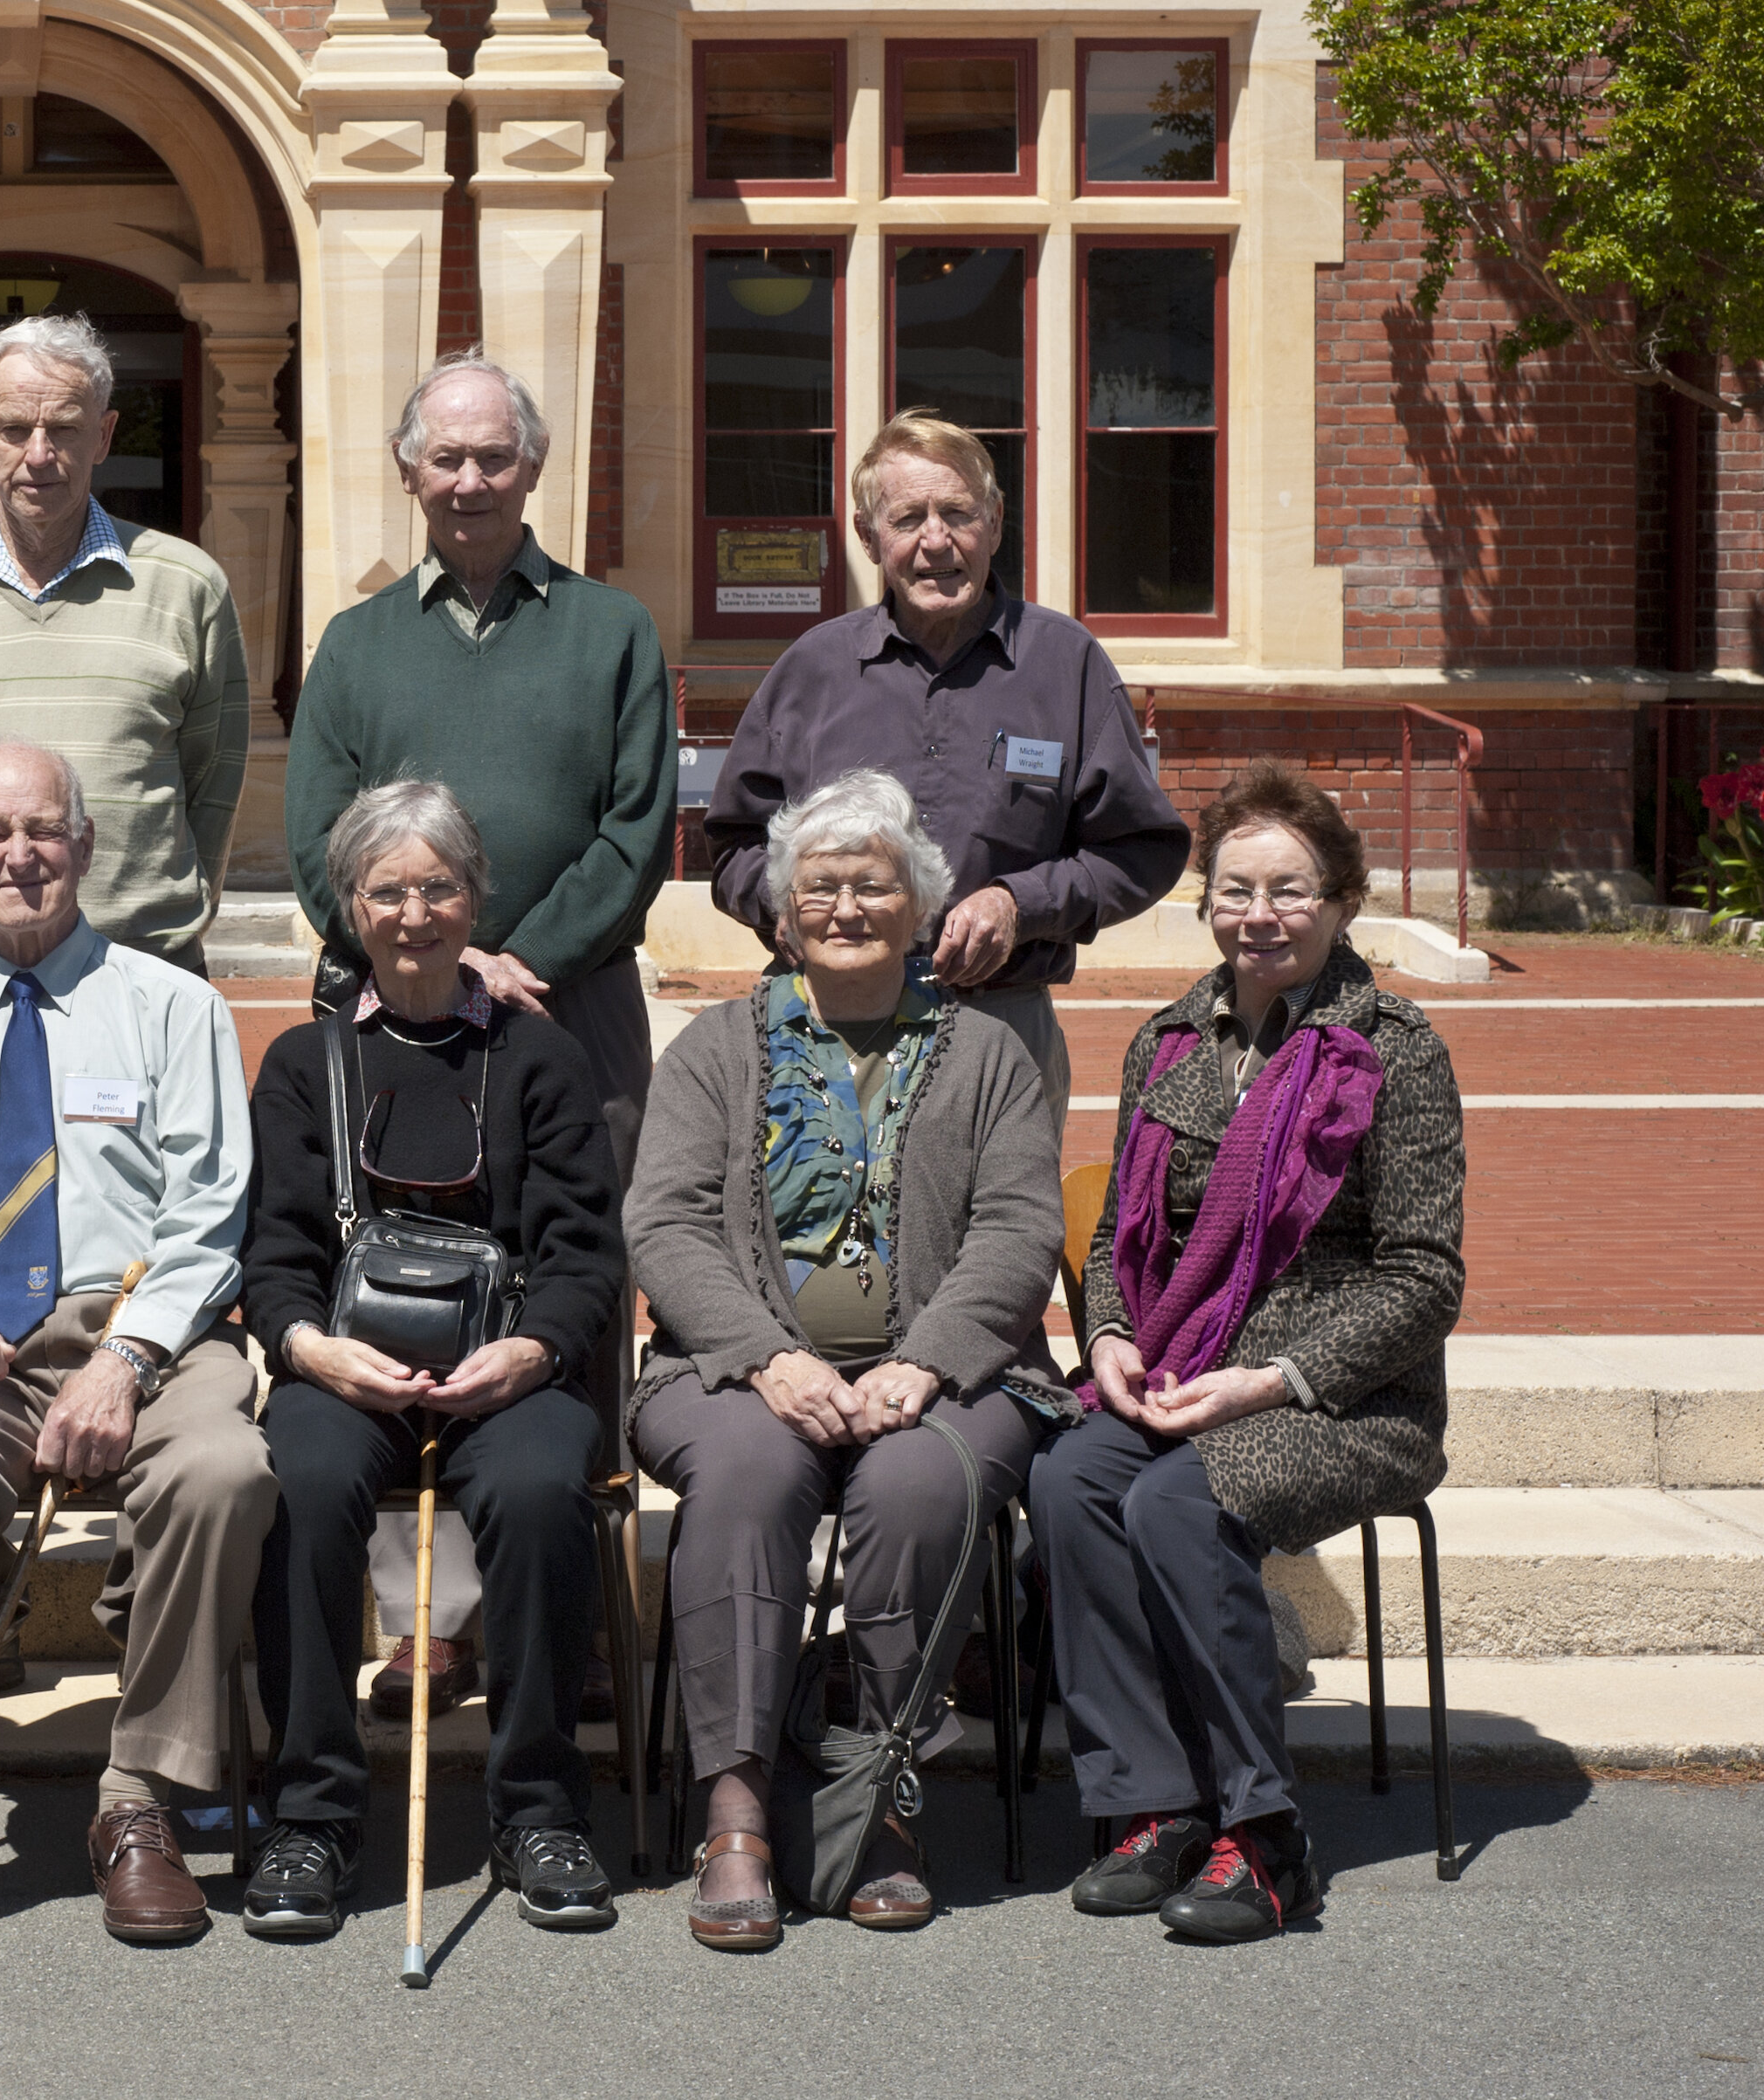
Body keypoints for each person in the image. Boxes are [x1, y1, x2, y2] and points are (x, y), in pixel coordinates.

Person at [0, 736, 272, 1949]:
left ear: (85, 843)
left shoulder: (173, 1007)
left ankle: (139, 1797)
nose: (19, 856)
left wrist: (126, 1359)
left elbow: (209, 1214)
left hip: (149, 1331)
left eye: (43, 831)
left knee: (223, 1469)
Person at [286, 348, 673, 1719]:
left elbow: (639, 826)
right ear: (408, 472)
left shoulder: (613, 629)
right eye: (444, 457)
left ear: (534, 467)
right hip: (392, 1018)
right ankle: (431, 1621)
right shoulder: (356, 644)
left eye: (492, 456)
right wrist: (437, 958)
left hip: (575, 1012)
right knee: (396, 1289)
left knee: (574, 1285)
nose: (468, 479)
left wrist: (521, 962)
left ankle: (574, 1625)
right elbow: (316, 842)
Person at [627, 769, 1068, 1951]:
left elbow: (1019, 1230)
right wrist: (767, 1357)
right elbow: (665, 1223)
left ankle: (882, 1794)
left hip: (950, 1376)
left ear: (920, 907)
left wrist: (923, 1363)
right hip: (733, 1373)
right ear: (783, 915)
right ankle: (735, 1810)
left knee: (920, 1485)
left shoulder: (988, 1055)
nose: (846, 906)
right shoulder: (716, 1050)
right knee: (747, 1477)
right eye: (819, 886)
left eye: (874, 884)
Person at [1033, 758, 1464, 1945]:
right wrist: (1108, 1337)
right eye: (1235, 890)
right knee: (1070, 1481)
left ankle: (1264, 1837)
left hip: (1344, 1399)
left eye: (1289, 890)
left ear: (1342, 903)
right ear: (1207, 902)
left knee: (1176, 1501)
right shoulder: (1167, 1040)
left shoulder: (1393, 1049)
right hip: (1183, 1367)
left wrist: (1271, 1381)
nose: (1258, 915)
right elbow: (1120, 1234)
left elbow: (1424, 1278)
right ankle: (1152, 1803)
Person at [237, 781, 625, 1942]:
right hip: (345, 1368)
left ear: (475, 898)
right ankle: (311, 1812)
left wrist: (531, 1352)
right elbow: (274, 1255)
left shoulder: (541, 1056)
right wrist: (311, 1350)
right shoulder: (304, 1061)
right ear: (350, 907)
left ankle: (539, 1807)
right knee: (300, 1480)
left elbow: (585, 1255)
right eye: (388, 891)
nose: (414, 914)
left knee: (542, 1484)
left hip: (504, 1370)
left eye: (438, 887)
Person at [703, 410, 1185, 1133]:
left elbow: (1142, 848)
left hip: (1000, 1025)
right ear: (869, 536)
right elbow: (734, 846)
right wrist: (788, 909)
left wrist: (1021, 905)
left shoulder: (1067, 665)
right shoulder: (812, 670)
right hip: (825, 1030)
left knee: (1003, 1207)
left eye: (958, 513)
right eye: (908, 518)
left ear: (995, 522)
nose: (937, 540)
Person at [0, 313, 251, 987]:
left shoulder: (187, 585)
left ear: (104, 435)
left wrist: (162, 911)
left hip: (142, 968)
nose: (38, 454)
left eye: (64, 428)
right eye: (13, 429)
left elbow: (216, 779)